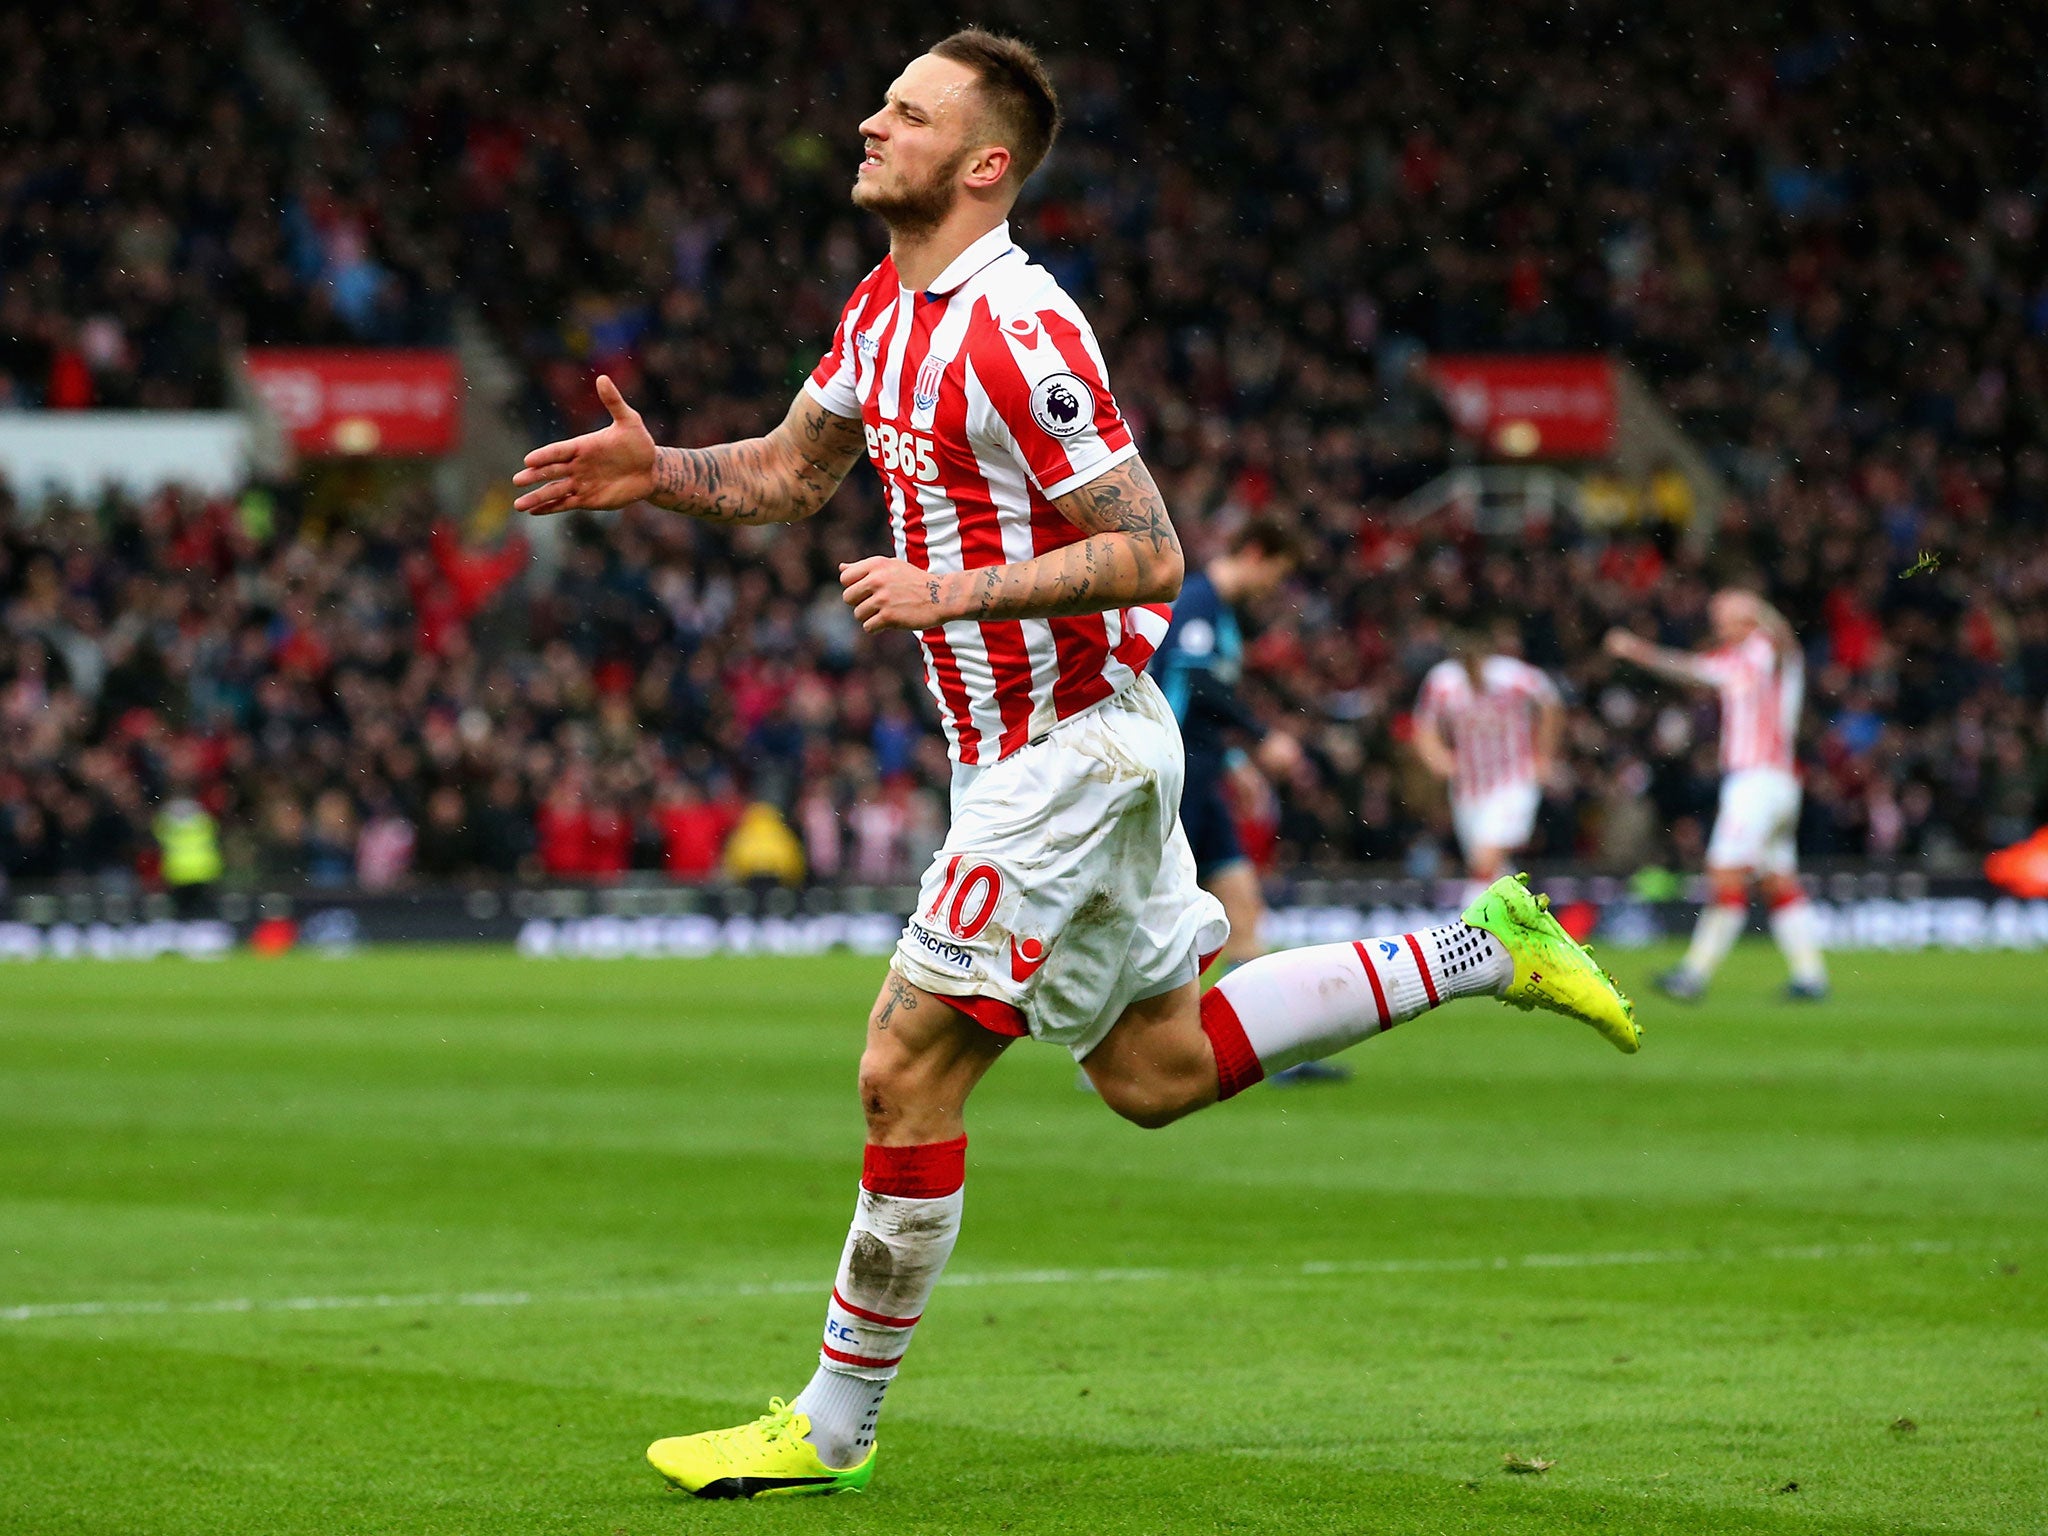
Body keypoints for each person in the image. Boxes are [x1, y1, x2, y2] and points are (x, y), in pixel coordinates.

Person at [513, 28, 1638, 1501]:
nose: (867, 123)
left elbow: (1152, 548)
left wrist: (950, 593)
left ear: (984, 165)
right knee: (1154, 1073)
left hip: (1074, 754)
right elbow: (795, 472)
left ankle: (829, 1427)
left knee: (903, 1067)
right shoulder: (879, 310)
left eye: (904, 113)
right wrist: (657, 474)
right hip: (1032, 758)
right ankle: (1478, 947)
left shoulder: (1019, 330)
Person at [1151, 517, 1345, 1085]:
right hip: (1176, 781)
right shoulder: (1197, 601)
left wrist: (1235, 764)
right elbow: (1195, 686)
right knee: (1161, 918)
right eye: (1276, 574)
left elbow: (1197, 700)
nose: (1273, 589)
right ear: (1257, 551)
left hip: (1205, 777)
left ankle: (1270, 1050)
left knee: (1244, 909)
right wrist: (1263, 738)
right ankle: (1119, 1053)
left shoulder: (1220, 613)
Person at [1605, 588, 1828, 1001]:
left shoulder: (1768, 651)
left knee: (1725, 873)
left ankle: (1694, 973)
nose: (1720, 626)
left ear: (1750, 619)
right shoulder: (1737, 661)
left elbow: (1784, 641)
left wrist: (1757, 610)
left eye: (1726, 617)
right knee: (1779, 882)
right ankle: (1811, 976)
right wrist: (1638, 651)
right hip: (1775, 783)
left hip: (1757, 783)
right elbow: (1690, 669)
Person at [1412, 620, 1563, 895]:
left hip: (1513, 781)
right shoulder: (1443, 681)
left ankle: (1467, 925)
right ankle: (1514, 925)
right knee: (1493, 869)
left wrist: (1544, 756)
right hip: (1469, 788)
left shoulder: (1511, 676)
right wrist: (1436, 756)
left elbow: (1551, 702)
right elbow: (1424, 724)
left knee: (1485, 858)